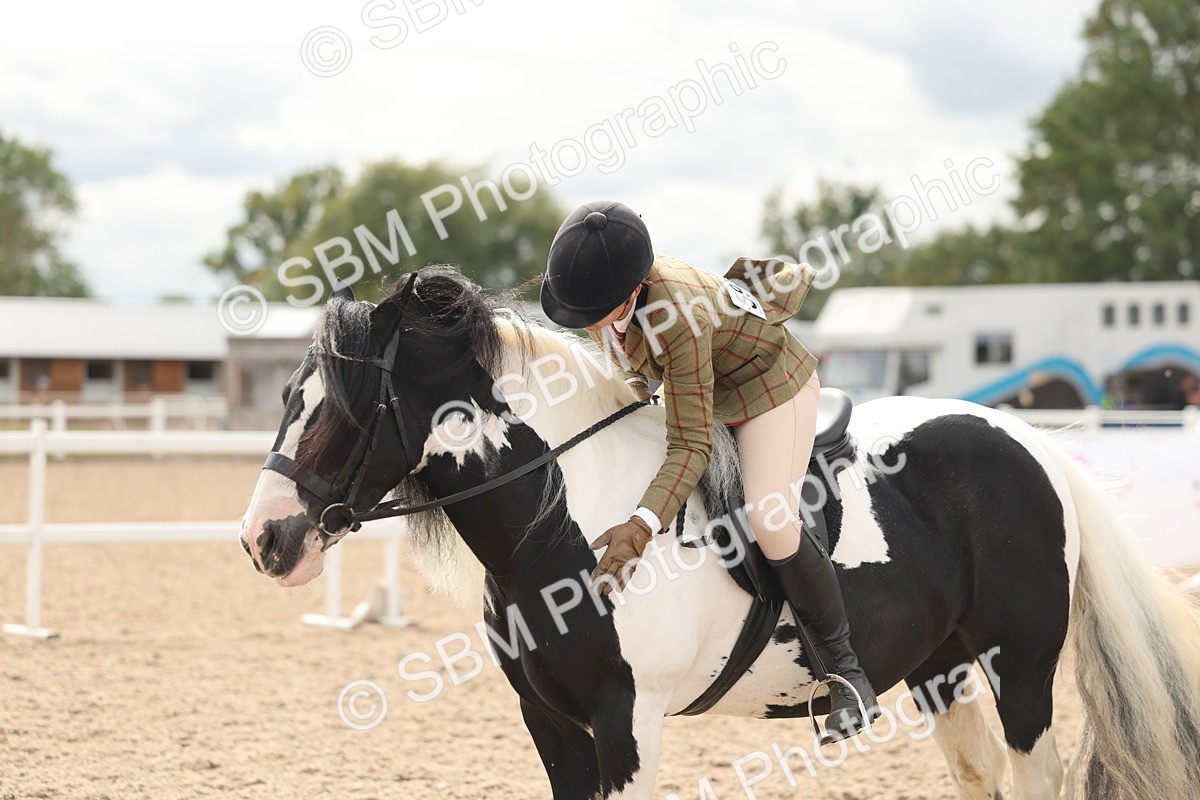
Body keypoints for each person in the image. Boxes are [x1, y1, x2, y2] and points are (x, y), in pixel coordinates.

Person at [539, 200, 879, 743]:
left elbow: (691, 445)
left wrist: (642, 525)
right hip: (704, 387)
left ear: (630, 291)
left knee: (770, 517)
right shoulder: (602, 297)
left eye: (593, 314)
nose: (586, 326)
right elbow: (635, 374)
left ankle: (847, 673)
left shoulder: (682, 314)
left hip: (768, 390)